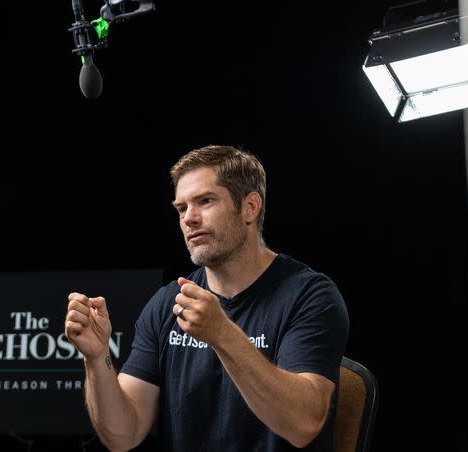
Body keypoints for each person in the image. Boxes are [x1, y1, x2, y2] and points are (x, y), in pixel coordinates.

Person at [65, 145, 349, 451]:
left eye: (205, 201)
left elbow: (304, 425)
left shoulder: (309, 296)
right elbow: (122, 436)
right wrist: (96, 359)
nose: (189, 219)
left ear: (250, 207)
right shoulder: (167, 303)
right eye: (181, 208)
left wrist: (221, 333)